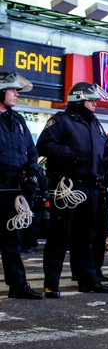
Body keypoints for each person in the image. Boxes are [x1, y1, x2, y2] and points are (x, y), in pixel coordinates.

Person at [37, 81, 108, 298]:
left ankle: (87, 280)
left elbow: (107, 148)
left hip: (91, 188)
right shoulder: (61, 120)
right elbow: (44, 145)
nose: (95, 104)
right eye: (91, 100)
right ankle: (51, 283)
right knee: (60, 235)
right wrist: (70, 155)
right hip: (68, 187)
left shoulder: (95, 123)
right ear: (79, 100)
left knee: (86, 237)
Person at [0, 72, 43, 299]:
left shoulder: (18, 120)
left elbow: (32, 153)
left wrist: (32, 177)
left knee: (13, 241)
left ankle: (18, 286)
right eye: (12, 90)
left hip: (13, 190)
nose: (16, 94)